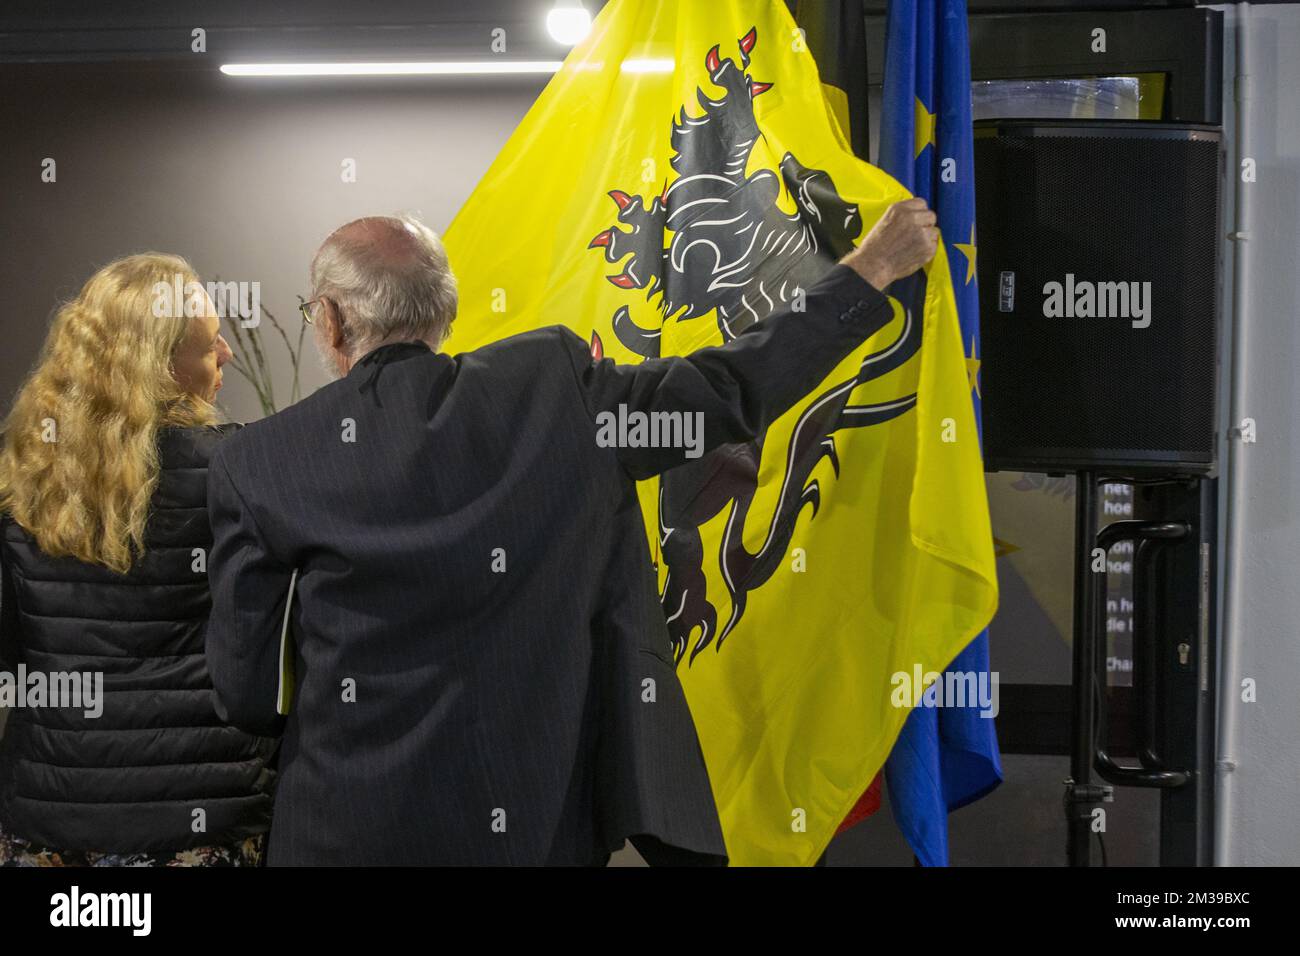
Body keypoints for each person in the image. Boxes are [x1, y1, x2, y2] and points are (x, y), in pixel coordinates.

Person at [205, 199, 939, 865]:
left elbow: (246, 694)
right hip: (531, 827)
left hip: (341, 834)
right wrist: (870, 268)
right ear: (446, 314)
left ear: (330, 321)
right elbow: (724, 389)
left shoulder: (260, 462)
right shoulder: (553, 389)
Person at [0, 254, 277, 866]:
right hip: (202, 820)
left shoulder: (21, 480)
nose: (227, 354)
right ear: (157, 366)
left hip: (53, 821)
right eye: (209, 345)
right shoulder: (239, 472)